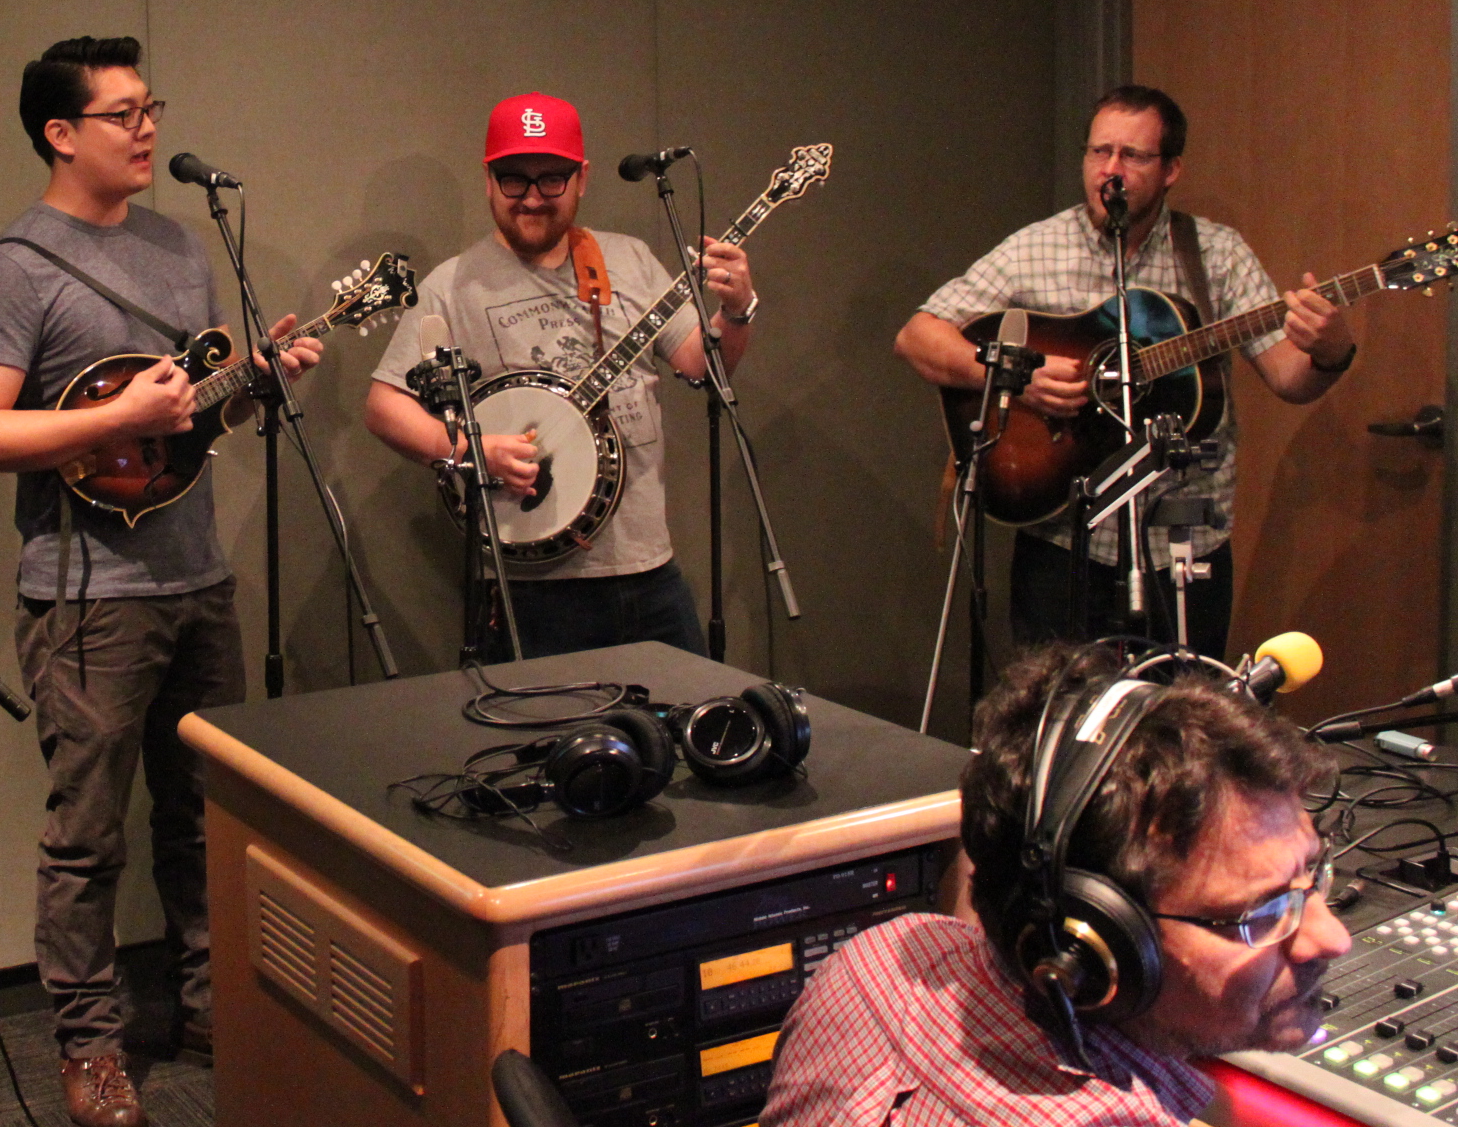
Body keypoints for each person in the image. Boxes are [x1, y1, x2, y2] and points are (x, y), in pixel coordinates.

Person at [0, 36, 320, 1127]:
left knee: (206, 816)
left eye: (152, 108)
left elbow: (180, 431)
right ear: (60, 134)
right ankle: (92, 1049)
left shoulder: (178, 247)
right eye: (123, 114)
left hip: (196, 576)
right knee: (88, 835)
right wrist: (118, 415)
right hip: (87, 596)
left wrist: (254, 383)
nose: (147, 129)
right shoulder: (12, 269)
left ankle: (211, 1008)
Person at [761, 641, 1349, 1124]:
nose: (1333, 939)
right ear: (1097, 946)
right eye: (1261, 914)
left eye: (1312, 874)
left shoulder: (875, 964)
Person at [895, 85, 1356, 660]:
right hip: (1063, 539)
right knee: (1058, 708)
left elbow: (1290, 378)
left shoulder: (1215, 255)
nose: (1110, 170)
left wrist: (1331, 351)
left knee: (1183, 712)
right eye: (1099, 151)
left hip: (1183, 548)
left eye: (1132, 156)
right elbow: (917, 336)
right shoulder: (1035, 248)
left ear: (1171, 170)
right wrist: (1018, 376)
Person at [363, 92, 756, 658]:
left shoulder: (630, 261)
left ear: (582, 179)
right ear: (488, 180)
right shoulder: (451, 286)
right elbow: (384, 406)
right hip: (530, 588)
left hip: (648, 571)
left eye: (551, 179)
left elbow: (705, 365)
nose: (532, 198)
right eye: (513, 180)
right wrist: (470, 450)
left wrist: (737, 310)